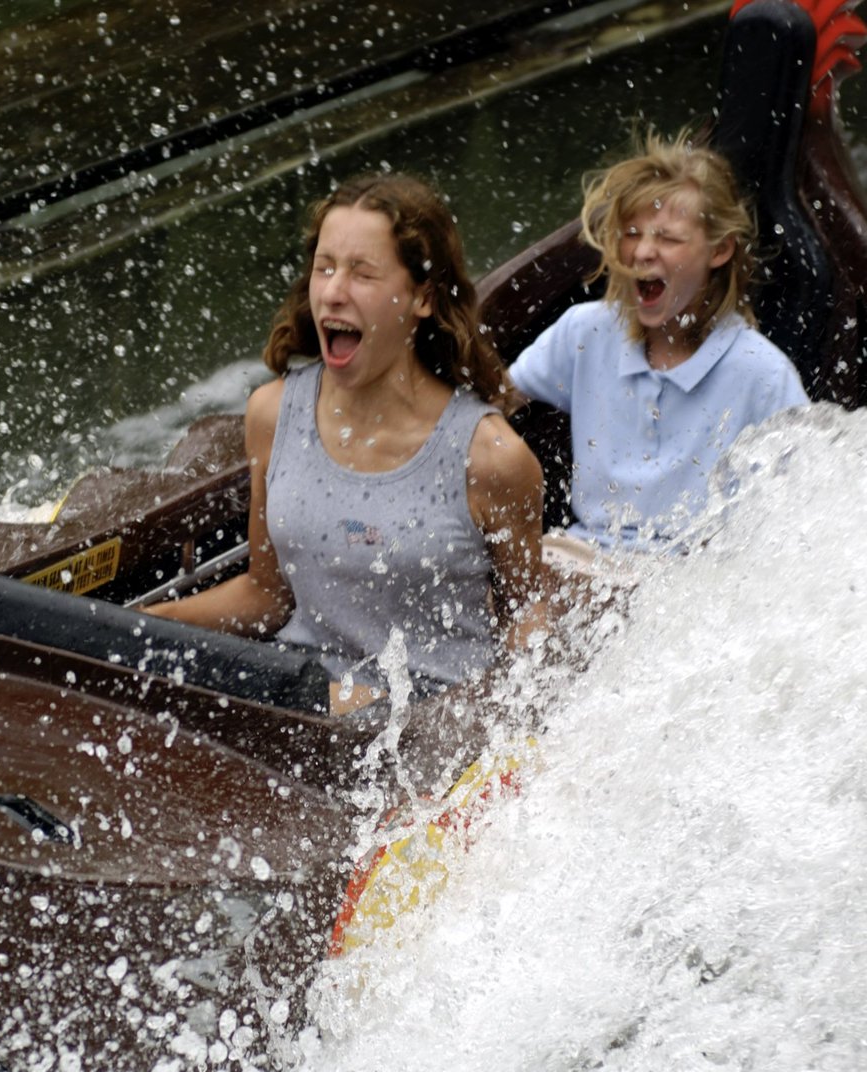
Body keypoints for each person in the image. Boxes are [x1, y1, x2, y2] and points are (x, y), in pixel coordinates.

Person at [147, 173, 547, 713]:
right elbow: (266, 596)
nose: (333, 292)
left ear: (421, 297)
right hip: (303, 707)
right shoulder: (271, 414)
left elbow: (527, 619)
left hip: (433, 732)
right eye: (325, 268)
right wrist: (144, 629)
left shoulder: (490, 457)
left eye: (362, 273)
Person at [508, 129, 810, 568]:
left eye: (667, 238)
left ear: (720, 250)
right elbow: (489, 407)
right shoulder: (586, 332)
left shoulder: (761, 372)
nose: (643, 251)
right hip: (585, 555)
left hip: (693, 578)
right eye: (631, 233)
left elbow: (799, 512)